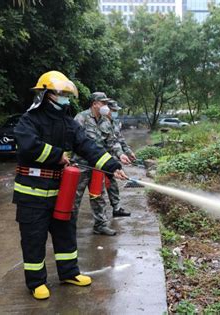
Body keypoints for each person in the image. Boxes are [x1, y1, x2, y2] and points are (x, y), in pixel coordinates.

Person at [13, 71, 127, 300]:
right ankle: (36, 283)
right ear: (46, 94)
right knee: (34, 238)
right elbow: (28, 146)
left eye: (67, 94)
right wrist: (57, 155)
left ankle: (69, 273)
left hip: (61, 190)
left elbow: (86, 145)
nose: (65, 98)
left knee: (65, 232)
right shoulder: (29, 120)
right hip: (32, 191)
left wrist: (111, 165)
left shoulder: (67, 122)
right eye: (61, 94)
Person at [71, 92, 131, 236]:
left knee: (98, 196)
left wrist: (120, 154)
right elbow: (72, 139)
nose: (106, 106)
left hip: (98, 165)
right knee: (75, 196)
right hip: (81, 165)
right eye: (103, 103)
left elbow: (112, 141)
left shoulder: (105, 121)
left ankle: (100, 225)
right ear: (95, 104)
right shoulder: (81, 118)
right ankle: (68, 227)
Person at [105, 100, 136, 217]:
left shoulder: (114, 123)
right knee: (95, 189)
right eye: (113, 111)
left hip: (109, 159)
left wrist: (127, 152)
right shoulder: (93, 121)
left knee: (112, 183)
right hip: (94, 159)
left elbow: (119, 140)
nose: (115, 113)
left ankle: (116, 208)